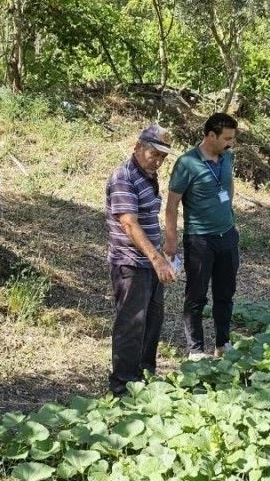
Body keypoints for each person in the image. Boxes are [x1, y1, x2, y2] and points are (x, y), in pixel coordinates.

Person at [105, 123, 178, 396]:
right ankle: (122, 386)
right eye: (153, 154)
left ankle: (144, 375)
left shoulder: (147, 175)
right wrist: (157, 259)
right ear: (137, 147)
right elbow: (129, 224)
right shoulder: (123, 177)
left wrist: (161, 256)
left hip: (150, 261)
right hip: (131, 263)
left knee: (152, 321)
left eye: (162, 157)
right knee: (131, 325)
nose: (158, 161)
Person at [164, 112, 239, 360]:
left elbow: (228, 187)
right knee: (196, 295)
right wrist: (171, 240)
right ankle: (195, 350)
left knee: (225, 293)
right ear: (210, 136)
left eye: (232, 138)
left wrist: (228, 214)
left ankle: (223, 343)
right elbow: (172, 204)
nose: (230, 143)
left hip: (227, 236)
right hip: (200, 239)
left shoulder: (227, 157)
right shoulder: (187, 163)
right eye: (226, 138)